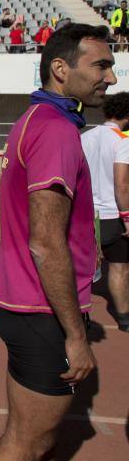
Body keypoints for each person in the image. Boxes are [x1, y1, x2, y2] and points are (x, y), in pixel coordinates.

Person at [0, 24, 114, 461]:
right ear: (61, 69)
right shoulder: (57, 130)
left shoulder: (36, 119)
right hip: (41, 309)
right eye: (101, 66)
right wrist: (75, 334)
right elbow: (46, 242)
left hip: (22, 301)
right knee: (27, 438)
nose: (111, 78)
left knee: (41, 431)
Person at [82, 92, 129, 332]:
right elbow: (122, 184)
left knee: (79, 268)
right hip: (112, 216)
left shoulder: (85, 137)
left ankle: (79, 316)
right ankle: (124, 318)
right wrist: (127, 216)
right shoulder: (123, 141)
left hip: (85, 214)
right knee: (120, 267)